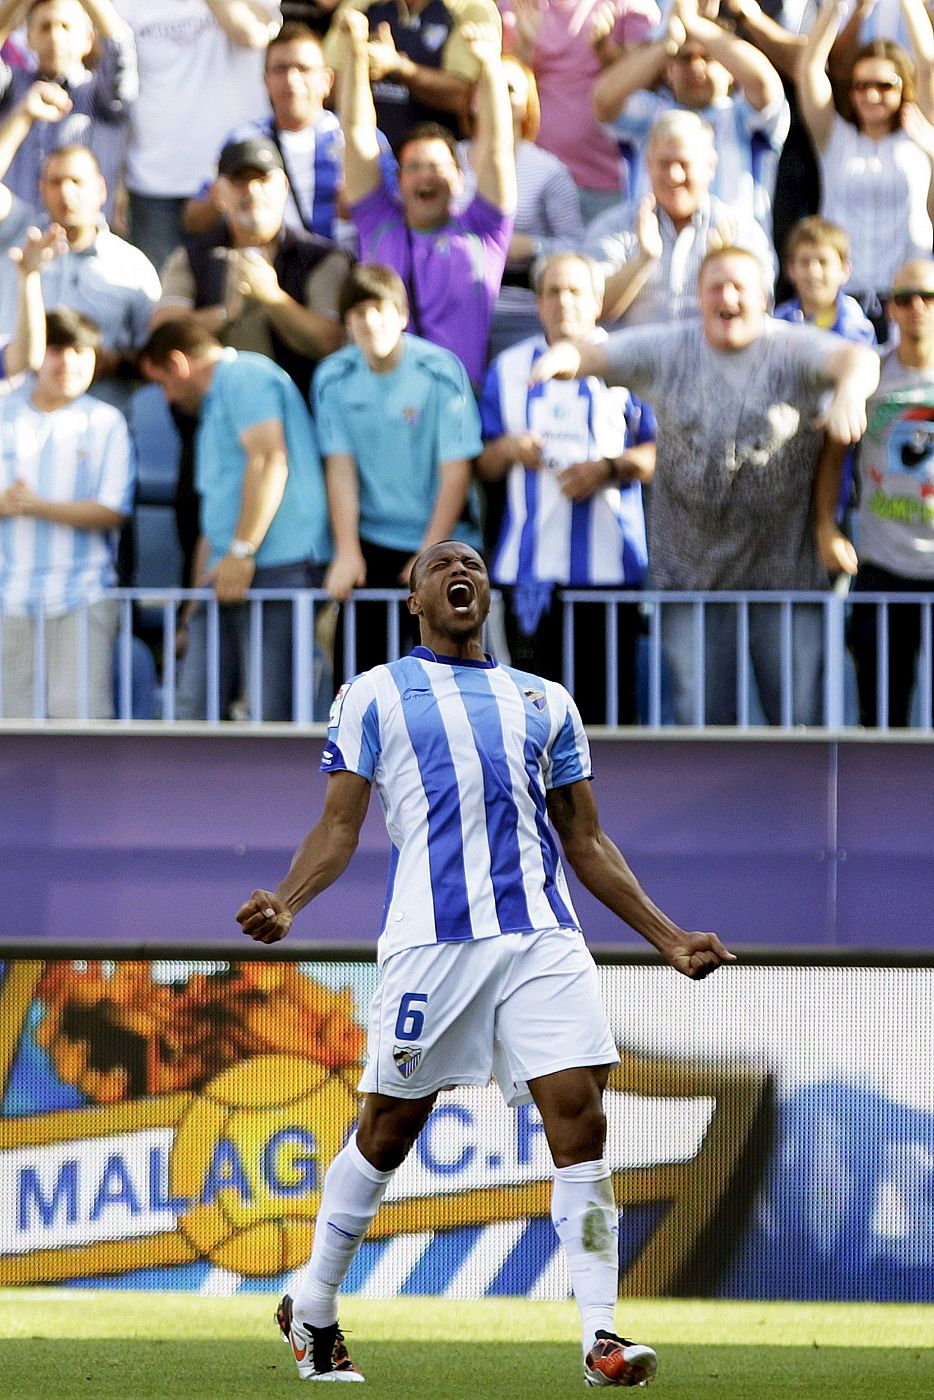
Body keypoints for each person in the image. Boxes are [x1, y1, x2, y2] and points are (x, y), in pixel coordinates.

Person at [237, 535, 735, 1387]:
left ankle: (600, 1336)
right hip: (433, 944)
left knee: (580, 1119)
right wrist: (288, 898)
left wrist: (667, 935)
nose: (461, 571)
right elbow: (338, 827)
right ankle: (313, 1304)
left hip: (544, 936)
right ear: (414, 601)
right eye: (440, 565)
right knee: (389, 1130)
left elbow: (586, 839)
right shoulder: (374, 694)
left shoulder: (544, 701)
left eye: (472, 563)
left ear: (488, 594)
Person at [530, 245, 881, 726]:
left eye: (739, 285)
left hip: (784, 574)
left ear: (762, 296)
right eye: (715, 285)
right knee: (702, 723)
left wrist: (848, 393)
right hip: (691, 576)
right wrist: (564, 357)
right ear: (699, 297)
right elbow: (598, 352)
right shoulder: (670, 347)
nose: (727, 295)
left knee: (802, 723)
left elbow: (858, 358)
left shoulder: (790, 346)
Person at [477, 251, 655, 724]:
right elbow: (483, 463)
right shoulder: (509, 367)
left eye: (576, 291)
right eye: (553, 291)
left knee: (607, 722)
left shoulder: (631, 364)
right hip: (529, 572)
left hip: (609, 571)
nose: (564, 302)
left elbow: (662, 454)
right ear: (537, 304)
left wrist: (609, 469)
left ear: (598, 301)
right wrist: (511, 449)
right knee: (533, 726)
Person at [139, 317, 330, 722]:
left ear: (178, 363)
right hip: (228, 571)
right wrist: (191, 611)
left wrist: (243, 551)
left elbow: (268, 458)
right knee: (194, 706)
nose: (168, 397)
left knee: (273, 711)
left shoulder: (246, 373)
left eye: (162, 383)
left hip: (280, 564)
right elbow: (214, 525)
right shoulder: (213, 406)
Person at [313, 261, 482, 673]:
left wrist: (430, 553)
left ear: (403, 316)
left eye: (380, 309)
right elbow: (340, 468)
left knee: (448, 676)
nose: (369, 322)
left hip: (443, 541)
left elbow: (456, 469)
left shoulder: (441, 371)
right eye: (357, 312)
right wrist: (347, 551)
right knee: (361, 680)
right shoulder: (333, 376)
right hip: (372, 543)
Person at [336, 6, 515, 386]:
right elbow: (357, 134)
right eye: (414, 167)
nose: (425, 175)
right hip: (385, 402)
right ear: (398, 181)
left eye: (437, 166)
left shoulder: (485, 231)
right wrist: (353, 52)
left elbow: (497, 149)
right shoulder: (377, 222)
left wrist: (492, 68)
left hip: (458, 408)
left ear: (459, 178)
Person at [817, 257, 934, 726]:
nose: (917, 308)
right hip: (886, 565)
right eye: (904, 298)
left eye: (929, 297)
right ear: (889, 308)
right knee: (881, 711)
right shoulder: (870, 374)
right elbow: (833, 454)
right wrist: (826, 525)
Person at [0, 307, 134, 718]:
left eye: (82, 351)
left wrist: (36, 506)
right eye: (57, 349)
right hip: (7, 599)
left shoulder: (107, 421)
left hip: (83, 596)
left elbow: (114, 510)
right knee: (11, 734)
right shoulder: (4, 414)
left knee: (82, 731)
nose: (69, 362)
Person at [154, 134, 348, 399]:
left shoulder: (322, 257)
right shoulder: (190, 258)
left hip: (304, 413)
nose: (252, 190)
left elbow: (334, 342)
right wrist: (226, 313)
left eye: (263, 179)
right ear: (219, 193)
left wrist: (271, 298)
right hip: (214, 413)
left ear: (284, 187)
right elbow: (162, 338)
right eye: (239, 181)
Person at [796, 0, 934, 338]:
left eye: (885, 86)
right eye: (861, 86)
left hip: (906, 300)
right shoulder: (834, 137)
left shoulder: (919, 131)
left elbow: (928, 64)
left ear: (903, 88)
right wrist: (833, 8)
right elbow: (809, 70)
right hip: (843, 299)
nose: (871, 95)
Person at [112, 0, 282, 273]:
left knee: (235, 300)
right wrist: (117, 177)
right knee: (163, 304)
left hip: (235, 177)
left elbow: (253, 34)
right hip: (152, 183)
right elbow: (116, 82)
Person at [592, 0, 788, 235]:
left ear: (730, 70)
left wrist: (691, 22)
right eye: (685, 58)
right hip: (652, 260)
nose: (696, 67)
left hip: (733, 261)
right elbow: (603, 101)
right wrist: (668, 44)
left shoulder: (742, 115)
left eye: (707, 57)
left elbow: (764, 84)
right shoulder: (649, 115)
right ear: (669, 70)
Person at [0, 142, 161, 414]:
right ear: (41, 190)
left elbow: (155, 358)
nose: (66, 192)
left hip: (97, 429)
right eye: (56, 182)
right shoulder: (16, 241)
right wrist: (25, 114)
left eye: (76, 181)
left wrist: (112, 363)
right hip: (13, 422)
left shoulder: (133, 267)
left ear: (101, 189)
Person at [585, 109, 774, 327]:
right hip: (632, 359)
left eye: (684, 164)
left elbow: (760, 311)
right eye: (664, 164)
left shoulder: (739, 229)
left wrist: (719, 269)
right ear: (648, 165)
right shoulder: (615, 225)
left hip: (711, 359)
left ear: (710, 166)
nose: (674, 175)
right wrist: (643, 260)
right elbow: (588, 309)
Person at [455, 52, 584, 358]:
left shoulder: (548, 170)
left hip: (522, 317)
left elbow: (578, 248)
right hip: (454, 308)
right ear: (473, 100)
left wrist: (533, 247)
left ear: (527, 104)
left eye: (510, 89)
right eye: (489, 85)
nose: (498, 95)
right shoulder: (446, 160)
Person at [500, 0, 660, 226]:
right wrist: (524, 47)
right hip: (534, 181)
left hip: (604, 183)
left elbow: (651, 82)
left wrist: (605, 50)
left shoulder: (630, 4)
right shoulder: (515, 4)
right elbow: (502, 91)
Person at [773, 215, 876, 520]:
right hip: (787, 454)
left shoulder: (856, 326)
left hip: (838, 454)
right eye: (804, 262)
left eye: (823, 261)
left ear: (845, 270)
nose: (813, 272)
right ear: (790, 270)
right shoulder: (779, 322)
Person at [0, 0, 136, 220]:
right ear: (29, 38)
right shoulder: (11, 88)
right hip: (15, 244)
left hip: (84, 244)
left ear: (88, 38)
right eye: (45, 27)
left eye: (66, 26)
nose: (55, 36)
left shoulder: (104, 96)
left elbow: (119, 46)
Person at [323, 0, 502, 155]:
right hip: (368, 157)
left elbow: (464, 97)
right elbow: (325, 88)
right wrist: (357, 59)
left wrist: (398, 67)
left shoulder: (470, 8)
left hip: (438, 163)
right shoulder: (360, 6)